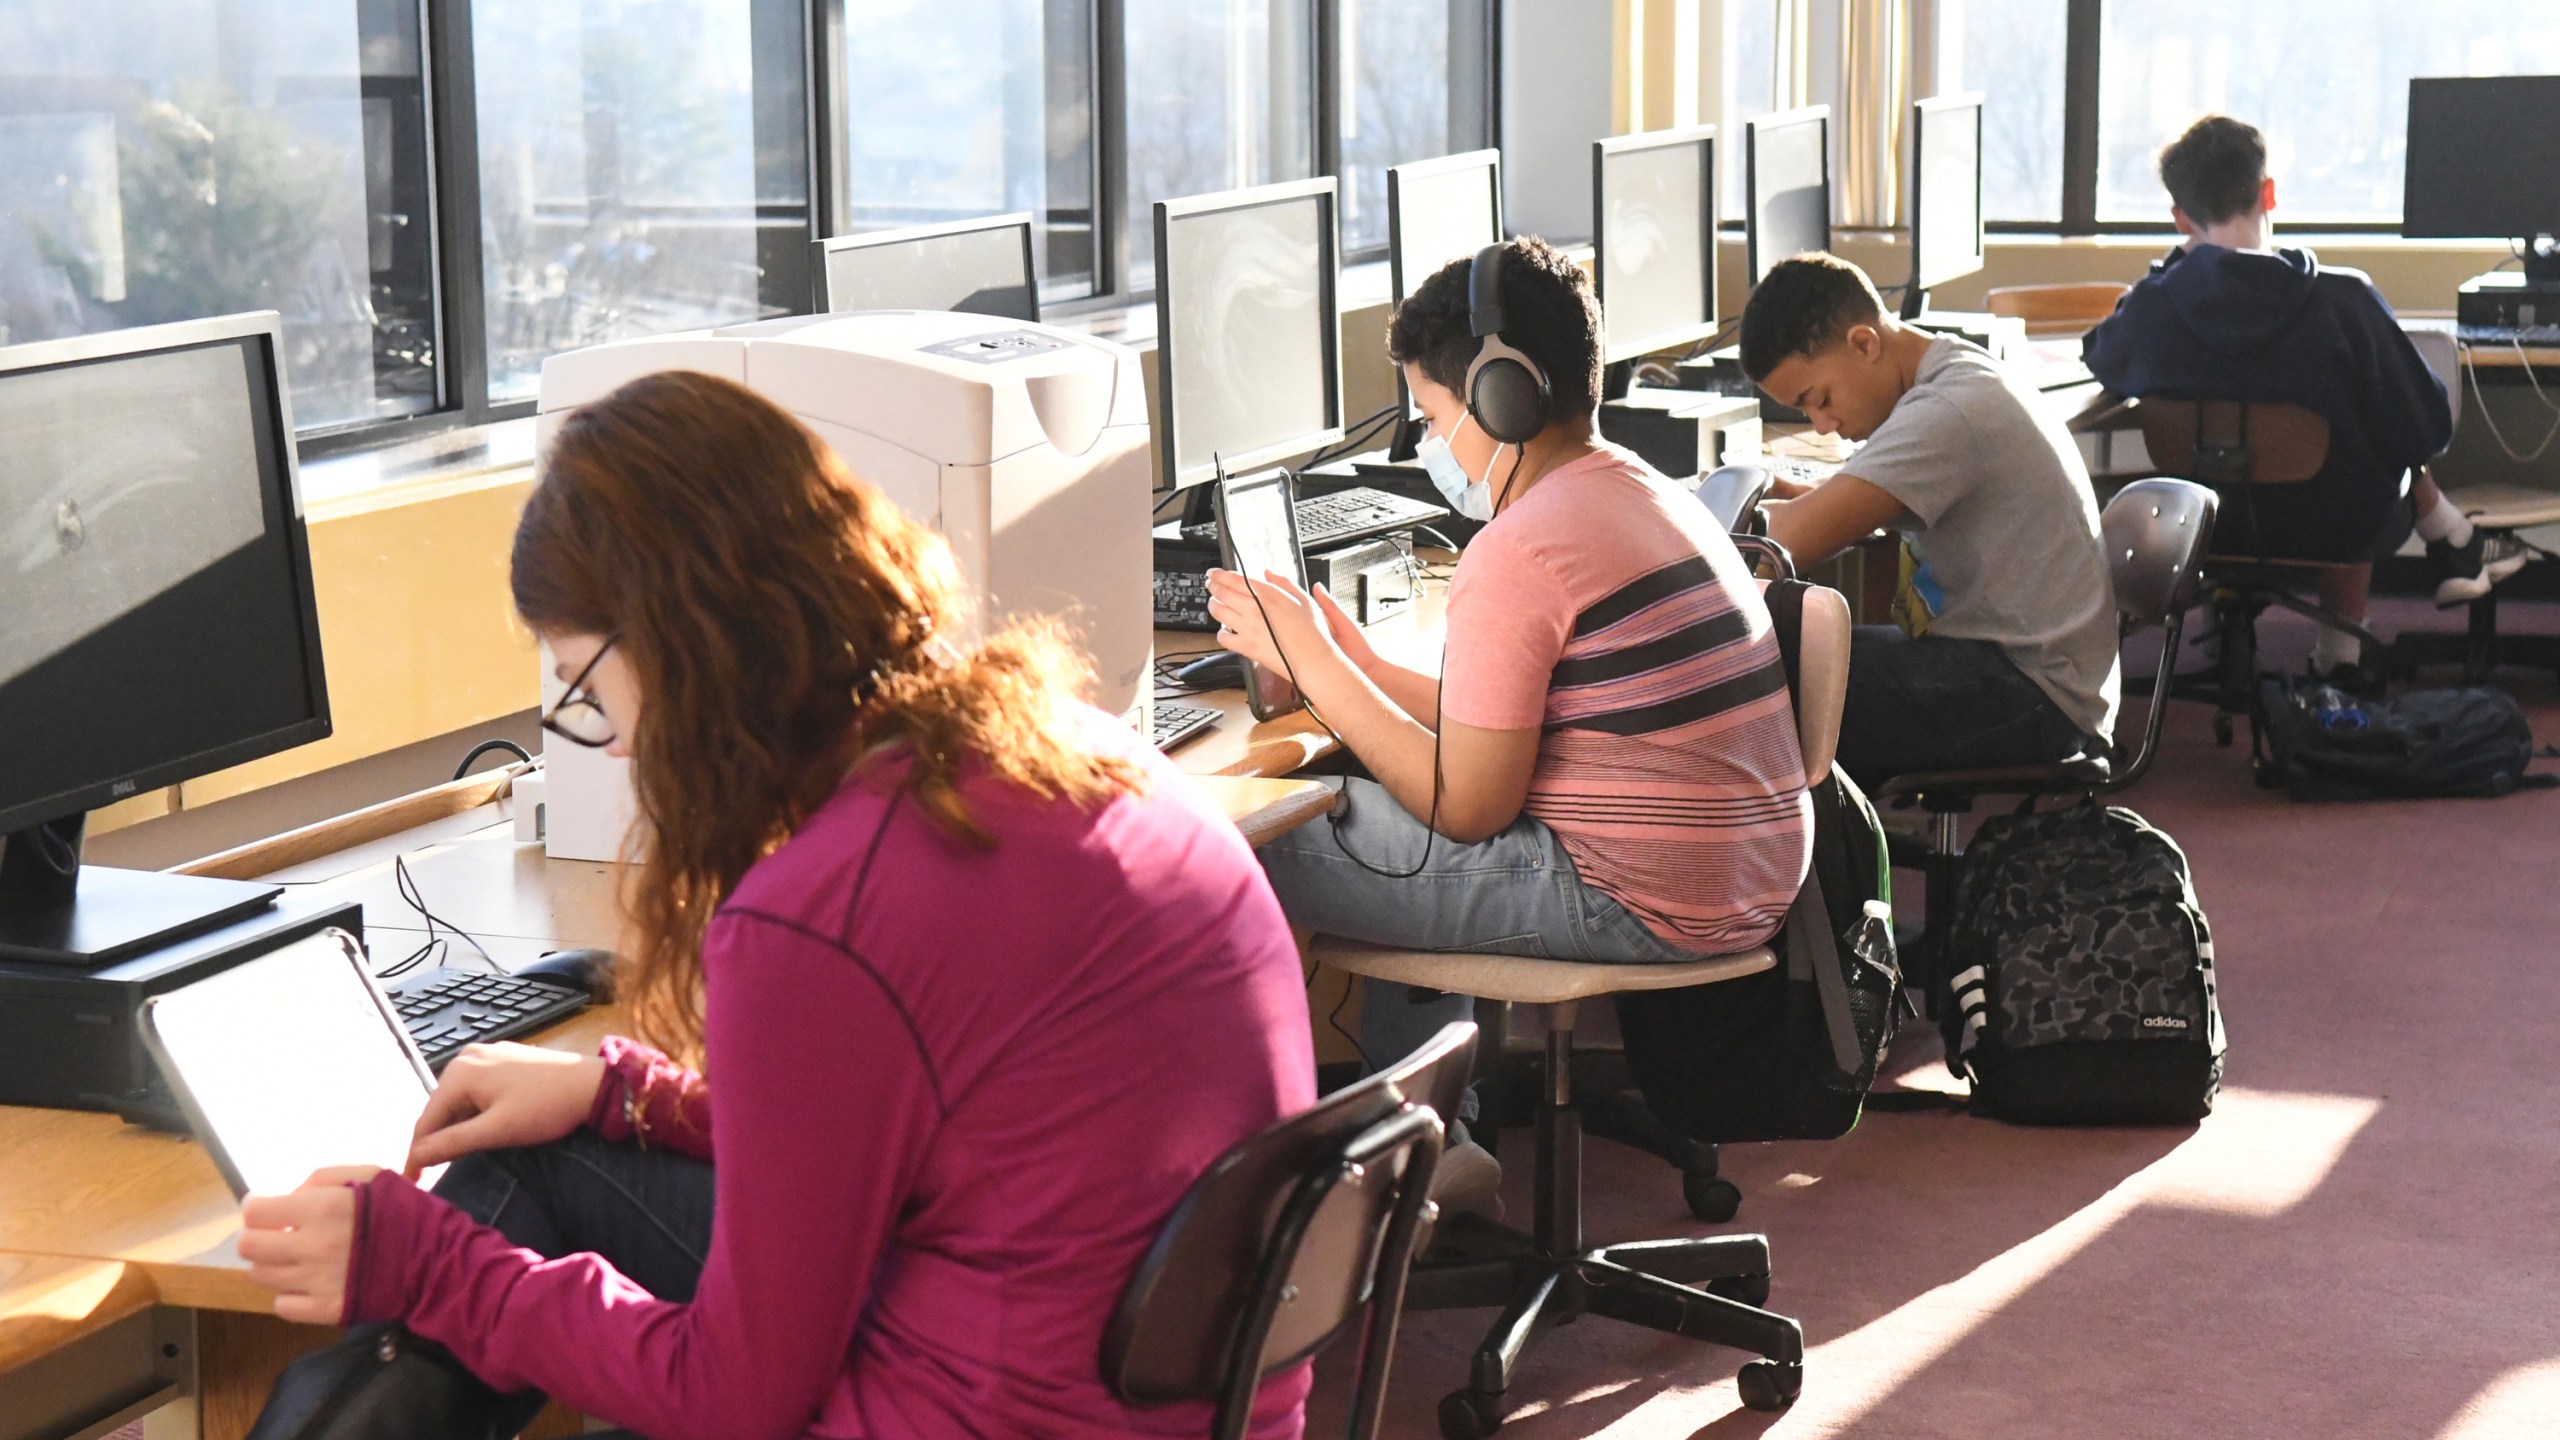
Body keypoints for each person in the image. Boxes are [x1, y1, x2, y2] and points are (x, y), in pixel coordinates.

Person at [235, 372, 1316, 1440]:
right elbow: (923, 1119)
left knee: (468, 1252)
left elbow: (733, 1399)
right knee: (536, 1176)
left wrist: (422, 1263)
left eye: (586, 684)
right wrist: (635, 1100)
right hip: (1171, 1402)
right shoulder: (1072, 757)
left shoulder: (824, 913)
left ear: (681, 650)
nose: (607, 738)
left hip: (1006, 1411)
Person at [1208, 238, 1811, 1194]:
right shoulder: (1641, 490)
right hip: (1741, 873)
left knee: (1232, 849)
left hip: (1638, 895)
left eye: (1434, 415)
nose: (1427, 444)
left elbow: (1470, 808)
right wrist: (1356, 668)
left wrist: (1313, 668)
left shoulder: (1523, 547)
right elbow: (1501, 727)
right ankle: (1434, 1136)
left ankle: (1306, 1182)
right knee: (1365, 782)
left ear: (1502, 398)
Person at [2082, 112, 2518, 685]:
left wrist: (2170, 275)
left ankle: (2448, 542)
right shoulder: (2344, 299)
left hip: (2194, 528)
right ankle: (2340, 658)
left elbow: (2102, 355)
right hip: (2329, 521)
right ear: (2269, 192)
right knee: (2373, 428)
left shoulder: (2154, 306)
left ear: (2179, 216)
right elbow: (2426, 429)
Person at [1742, 252, 2120, 790]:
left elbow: (1785, 546)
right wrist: (1809, 499)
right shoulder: (1951, 370)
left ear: (1864, 344)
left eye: (1819, 399)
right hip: (2027, 666)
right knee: (1790, 655)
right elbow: (1848, 507)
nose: (1822, 425)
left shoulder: (1947, 411)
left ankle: (1792, 869)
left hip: (2035, 694)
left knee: (1758, 679)